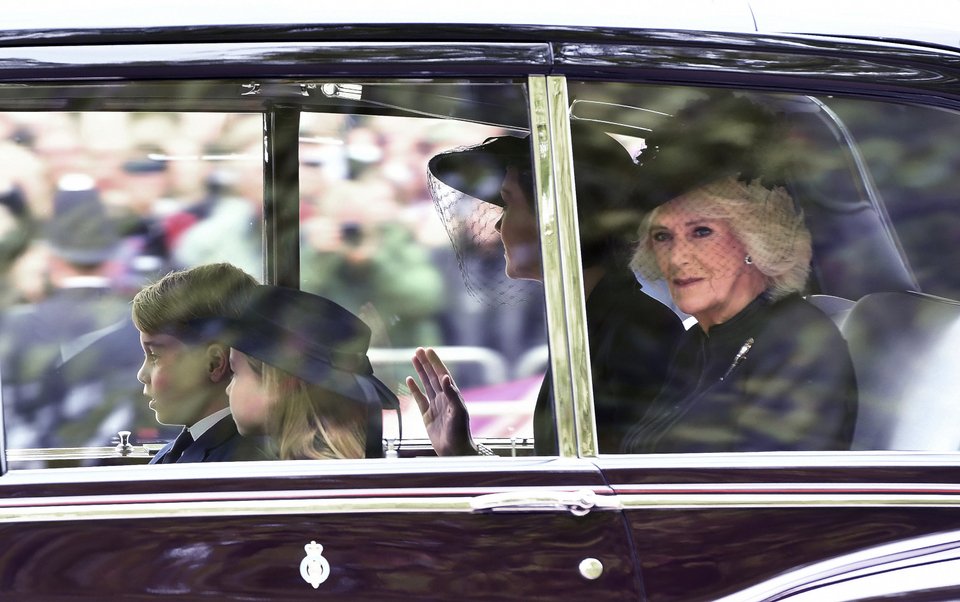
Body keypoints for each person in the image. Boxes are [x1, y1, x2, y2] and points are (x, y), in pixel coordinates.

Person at [408, 123, 685, 455]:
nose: (497, 223)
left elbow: (604, 479)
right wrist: (465, 451)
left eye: (508, 203)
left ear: (555, 219)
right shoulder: (593, 320)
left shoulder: (635, 333)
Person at [620, 92, 858, 453]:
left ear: (755, 241)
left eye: (702, 232)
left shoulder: (798, 343)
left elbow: (777, 482)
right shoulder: (697, 341)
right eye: (662, 237)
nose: (677, 257)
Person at [218, 285, 401, 460]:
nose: (228, 389)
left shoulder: (301, 473)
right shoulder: (324, 460)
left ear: (280, 384)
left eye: (235, 373)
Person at [131, 262, 269, 463]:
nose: (142, 375)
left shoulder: (238, 463)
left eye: (155, 356)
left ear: (214, 363)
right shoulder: (177, 450)